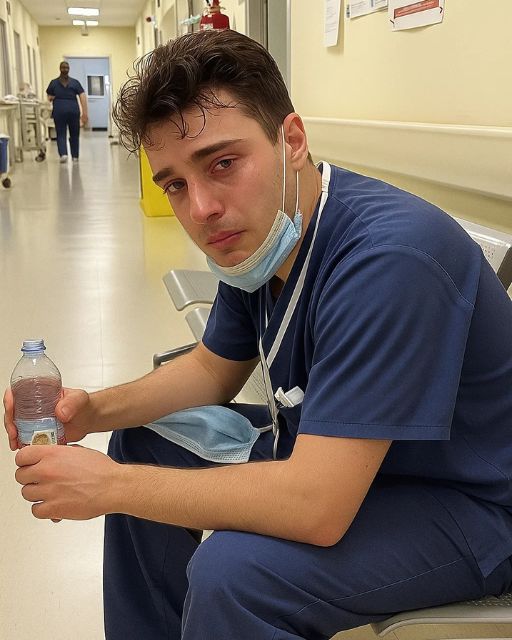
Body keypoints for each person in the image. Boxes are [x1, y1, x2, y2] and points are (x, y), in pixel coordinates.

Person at [5, 30, 512, 640]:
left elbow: (316, 507)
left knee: (235, 575)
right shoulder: (265, 239)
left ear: (291, 141)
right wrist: (93, 410)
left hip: (467, 504)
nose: (201, 209)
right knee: (141, 441)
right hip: (341, 456)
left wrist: (110, 488)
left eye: (222, 164)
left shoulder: (389, 259)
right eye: (175, 184)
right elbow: (211, 369)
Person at [46, 61, 88, 163]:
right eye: (64, 67)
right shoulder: (75, 82)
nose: (65, 69)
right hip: (73, 110)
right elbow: (82, 97)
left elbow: (49, 97)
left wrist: (54, 97)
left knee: (61, 133)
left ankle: (63, 154)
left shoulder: (54, 83)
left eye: (66, 67)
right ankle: (75, 156)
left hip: (60, 110)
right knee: (74, 134)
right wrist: (84, 113)